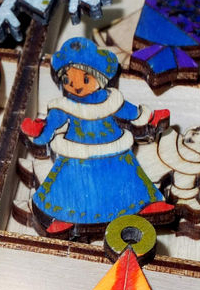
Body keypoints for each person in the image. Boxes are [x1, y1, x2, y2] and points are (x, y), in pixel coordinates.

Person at [22, 37, 173, 236]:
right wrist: (38, 132)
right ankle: (64, 217)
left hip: (113, 150)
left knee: (126, 176)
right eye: (67, 80)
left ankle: (146, 204)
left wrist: (149, 118)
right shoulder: (64, 106)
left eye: (85, 79)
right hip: (76, 154)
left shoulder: (111, 99)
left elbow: (130, 112)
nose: (76, 86)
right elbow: (50, 127)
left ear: (99, 77)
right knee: (70, 183)